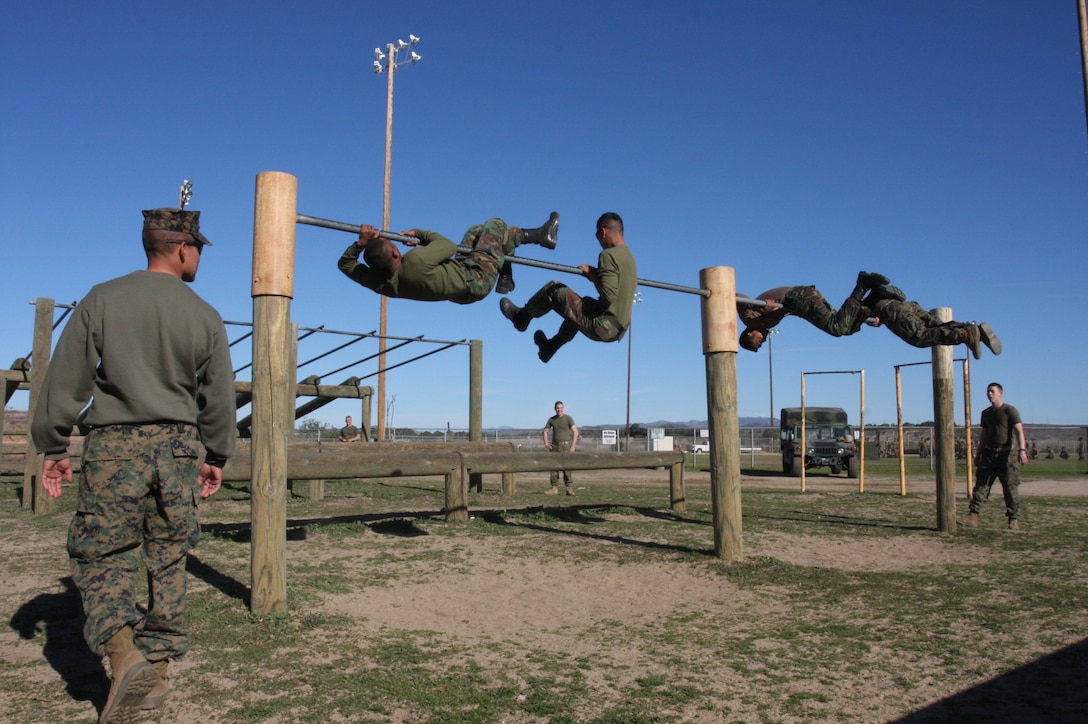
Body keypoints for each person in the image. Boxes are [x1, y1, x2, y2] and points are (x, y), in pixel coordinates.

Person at [30, 207, 235, 722]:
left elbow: (66, 378)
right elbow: (218, 398)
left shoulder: (102, 298)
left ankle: (123, 654)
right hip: (180, 449)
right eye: (199, 251)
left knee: (101, 555)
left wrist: (53, 445)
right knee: (167, 556)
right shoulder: (205, 314)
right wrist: (216, 455)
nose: (199, 259)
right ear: (183, 249)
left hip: (114, 446)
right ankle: (157, 668)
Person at [739, 273, 1002, 360]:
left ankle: (864, 288)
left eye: (757, 343)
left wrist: (769, 307)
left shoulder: (750, 320)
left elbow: (735, 295)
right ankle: (970, 331)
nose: (762, 341)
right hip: (802, 299)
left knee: (836, 327)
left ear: (748, 335)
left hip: (798, 297)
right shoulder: (763, 323)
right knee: (847, 326)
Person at [499, 212, 637, 363]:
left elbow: (609, 295)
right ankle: (550, 347)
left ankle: (522, 317)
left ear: (603, 232)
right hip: (618, 329)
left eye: (597, 235)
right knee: (580, 306)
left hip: (604, 326)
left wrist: (593, 275)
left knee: (555, 289)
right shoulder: (630, 258)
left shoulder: (608, 255)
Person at [337, 213, 559, 304]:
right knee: (496, 225)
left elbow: (345, 265)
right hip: (477, 277)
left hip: (460, 291)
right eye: (394, 245)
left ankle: (506, 275)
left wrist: (360, 244)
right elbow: (448, 245)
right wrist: (419, 234)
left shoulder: (382, 284)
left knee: (477, 231)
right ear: (396, 252)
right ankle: (540, 236)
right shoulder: (414, 260)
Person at [958, 382, 1027, 531]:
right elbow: (984, 435)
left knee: (1010, 488)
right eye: (988, 391)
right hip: (989, 454)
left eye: (992, 391)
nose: (989, 394)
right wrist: (978, 453)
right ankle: (973, 516)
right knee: (981, 486)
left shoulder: (1010, 410)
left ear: (1000, 393)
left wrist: (1022, 450)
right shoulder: (986, 413)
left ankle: (1013, 519)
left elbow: (1019, 431)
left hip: (1006, 454)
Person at [542, 401, 580, 495]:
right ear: (555, 409)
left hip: (565, 446)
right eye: (557, 408)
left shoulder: (568, 418)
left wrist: (573, 446)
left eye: (561, 407)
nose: (559, 410)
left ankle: (569, 488)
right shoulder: (552, 419)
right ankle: (554, 488)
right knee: (554, 468)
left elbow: (575, 432)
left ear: (563, 408)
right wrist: (546, 443)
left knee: (567, 468)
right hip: (554, 446)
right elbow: (545, 431)